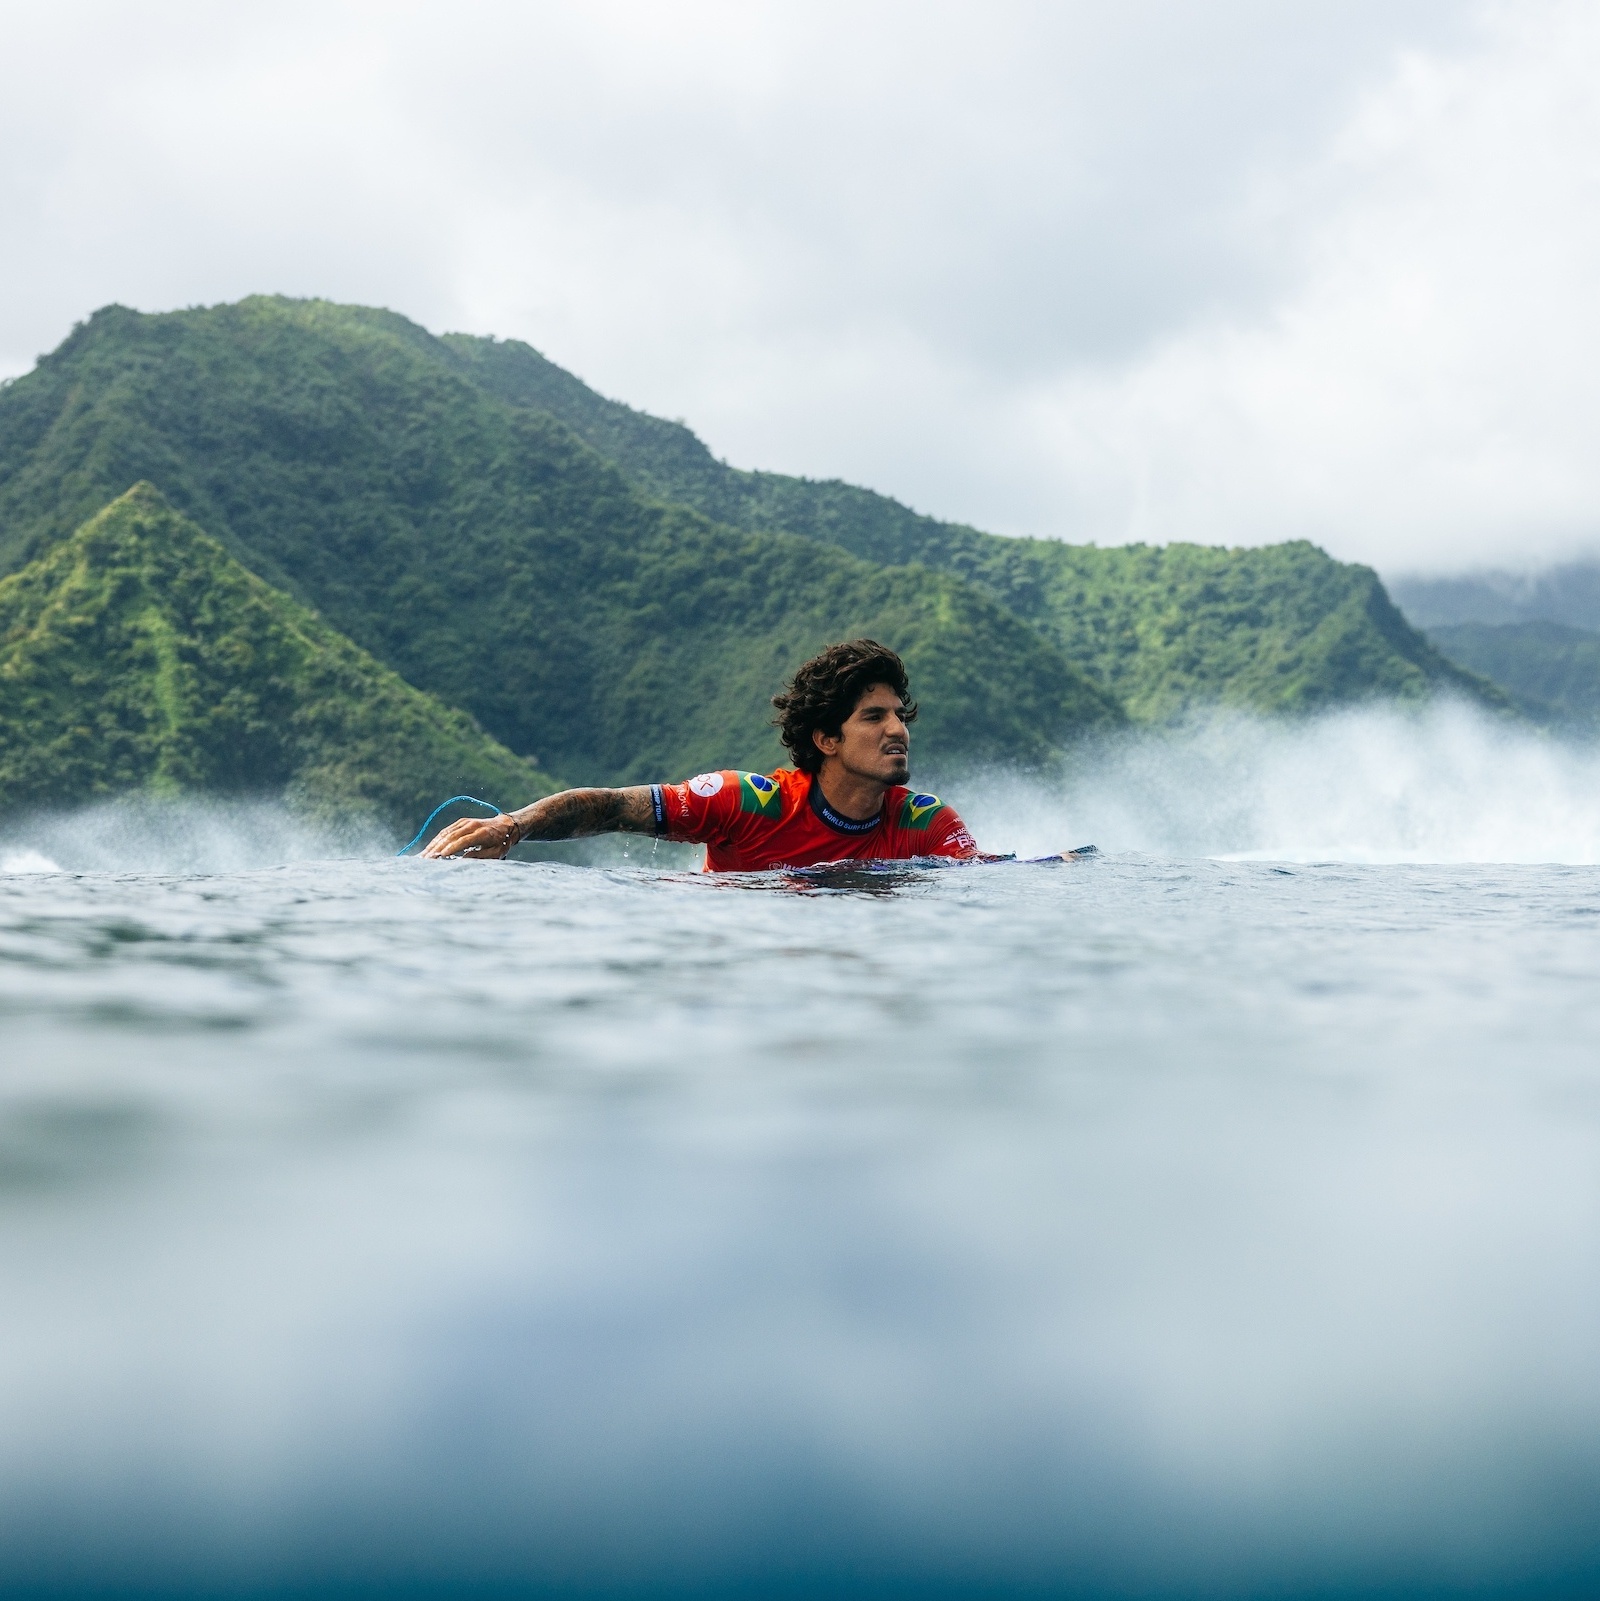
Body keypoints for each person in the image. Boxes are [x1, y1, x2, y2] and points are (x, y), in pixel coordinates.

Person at [421, 638, 985, 871]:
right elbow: (612, 806)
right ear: (826, 739)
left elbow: (982, 886)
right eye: (874, 716)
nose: (898, 730)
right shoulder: (747, 803)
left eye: (899, 716)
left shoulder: (928, 824)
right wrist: (512, 827)